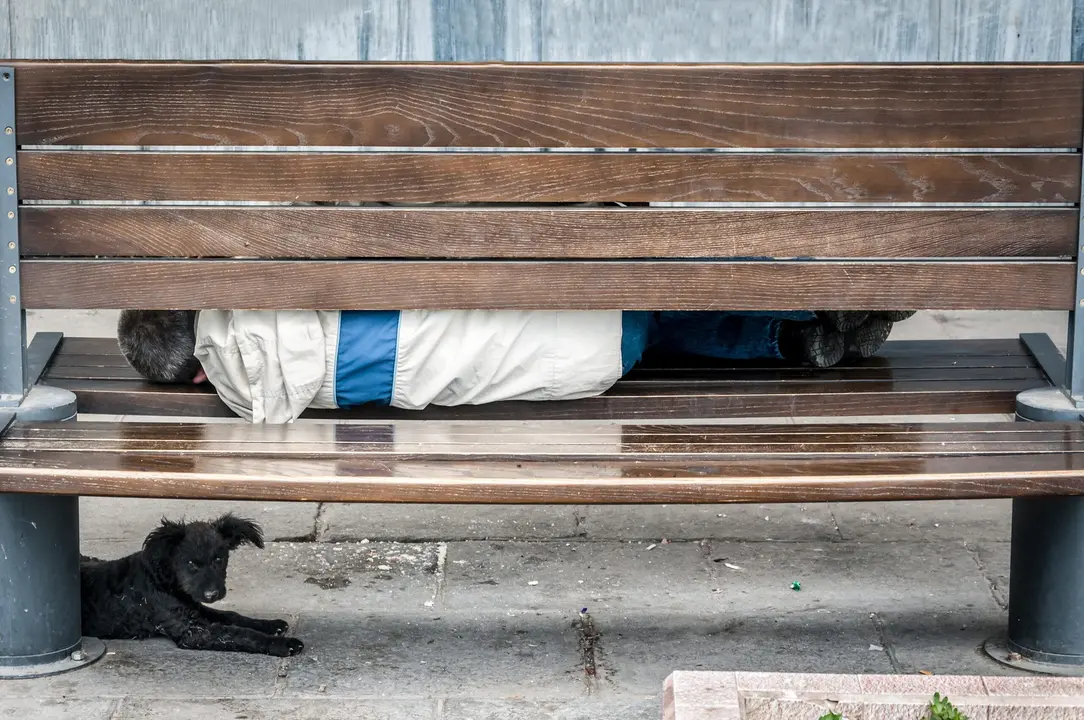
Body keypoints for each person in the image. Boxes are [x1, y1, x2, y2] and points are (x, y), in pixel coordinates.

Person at [118, 308, 913, 423]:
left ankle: (791, 339)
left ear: (195, 375)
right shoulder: (277, 286)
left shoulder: (261, 389)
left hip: (587, 363)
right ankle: (804, 321)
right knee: (638, 286)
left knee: (631, 327)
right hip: (597, 312)